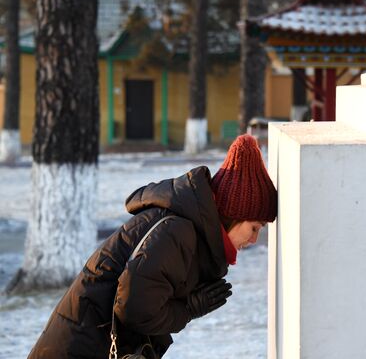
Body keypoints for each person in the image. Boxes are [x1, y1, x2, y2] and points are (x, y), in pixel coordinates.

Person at [28, 134, 278, 359]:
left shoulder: (188, 230)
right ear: (233, 214)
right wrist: (189, 309)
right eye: (255, 227)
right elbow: (134, 310)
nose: (254, 240)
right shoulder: (178, 233)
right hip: (78, 349)